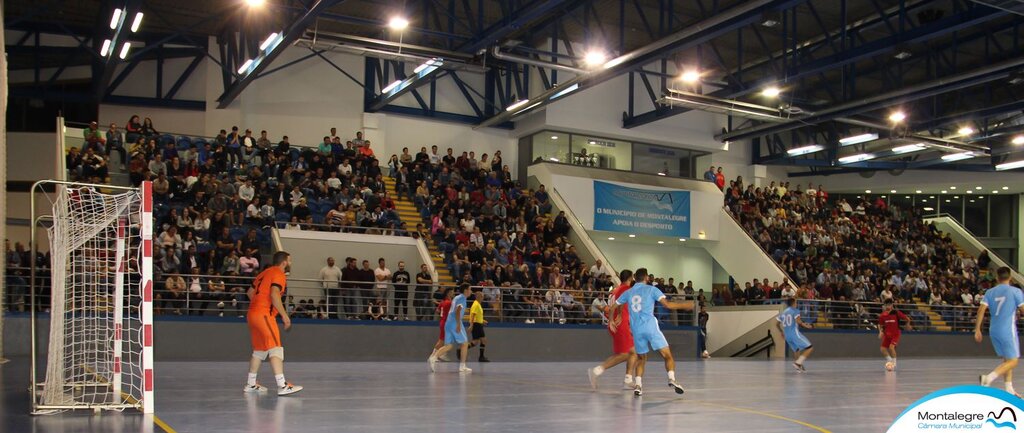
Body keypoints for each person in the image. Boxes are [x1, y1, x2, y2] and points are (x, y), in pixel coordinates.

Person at [614, 268, 694, 396]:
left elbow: (615, 304)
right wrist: (685, 305)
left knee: (641, 358)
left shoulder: (629, 292)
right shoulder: (652, 289)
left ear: (635, 278)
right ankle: (671, 379)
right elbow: (667, 305)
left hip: (636, 329)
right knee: (667, 355)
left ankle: (638, 385)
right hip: (650, 327)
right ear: (646, 278)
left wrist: (616, 318)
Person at [243, 251, 303, 396]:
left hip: (252, 314)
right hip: (264, 315)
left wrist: (258, 305)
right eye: (290, 261)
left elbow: (250, 293)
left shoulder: (264, 273)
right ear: (284, 262)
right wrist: (284, 315)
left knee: (259, 350)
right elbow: (274, 294)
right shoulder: (279, 274)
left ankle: (251, 384)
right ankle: (282, 385)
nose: (291, 263)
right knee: (275, 348)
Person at [975, 267, 1024, 396]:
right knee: (1013, 361)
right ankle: (988, 378)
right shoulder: (1015, 291)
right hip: (1007, 330)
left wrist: (977, 329)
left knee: (1007, 360)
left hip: (994, 330)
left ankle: (1009, 390)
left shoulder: (990, 292)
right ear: (1010, 278)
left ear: (997, 278)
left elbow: (981, 310)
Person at [588, 269, 638, 391]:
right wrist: (619, 316)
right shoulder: (624, 289)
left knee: (633, 352)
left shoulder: (615, 290)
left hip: (617, 324)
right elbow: (618, 305)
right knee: (625, 354)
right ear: (630, 279)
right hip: (619, 325)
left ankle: (628, 379)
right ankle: (597, 371)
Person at [429, 283, 473, 373]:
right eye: (470, 289)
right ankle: (462, 366)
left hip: (448, 322)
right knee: (464, 343)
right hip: (454, 322)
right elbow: (457, 311)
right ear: (465, 290)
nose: (471, 291)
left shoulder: (456, 297)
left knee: (448, 345)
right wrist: (458, 324)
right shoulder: (462, 299)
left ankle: (433, 357)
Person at [777, 297, 814, 372]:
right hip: (794, 334)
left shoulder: (783, 312)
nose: (797, 304)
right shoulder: (795, 311)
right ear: (793, 303)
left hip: (787, 336)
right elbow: (798, 321)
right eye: (796, 302)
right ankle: (798, 363)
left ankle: (798, 367)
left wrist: (781, 331)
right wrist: (807, 326)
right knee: (810, 348)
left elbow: (777, 324)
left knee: (796, 350)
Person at [878, 299, 911, 370]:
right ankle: (890, 361)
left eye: (890, 304)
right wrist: (881, 332)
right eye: (887, 304)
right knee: (882, 349)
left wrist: (907, 325)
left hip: (895, 334)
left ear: (892, 305)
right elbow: (881, 325)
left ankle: (894, 364)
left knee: (891, 347)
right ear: (885, 306)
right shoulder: (882, 315)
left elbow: (907, 319)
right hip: (887, 335)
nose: (888, 306)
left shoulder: (896, 313)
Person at [468, 288, 490, 362]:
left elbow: (477, 315)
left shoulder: (478, 304)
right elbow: (473, 315)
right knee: (483, 340)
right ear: (479, 297)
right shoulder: (476, 304)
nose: (483, 298)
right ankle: (481, 357)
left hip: (478, 323)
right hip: (477, 325)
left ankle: (462, 349)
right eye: (482, 296)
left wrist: (482, 321)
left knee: (475, 342)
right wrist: (471, 325)